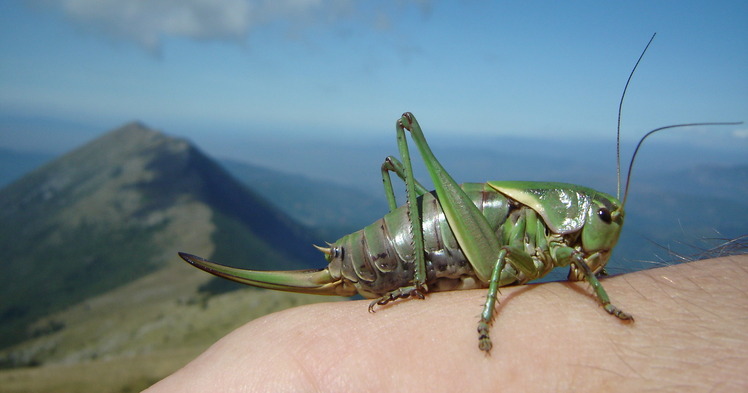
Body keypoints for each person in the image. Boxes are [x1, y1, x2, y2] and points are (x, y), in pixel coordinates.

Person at [144, 254, 747, 392]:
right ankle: (396, 273)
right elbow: (506, 263)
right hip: (434, 251)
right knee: (505, 258)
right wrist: (608, 308)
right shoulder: (541, 240)